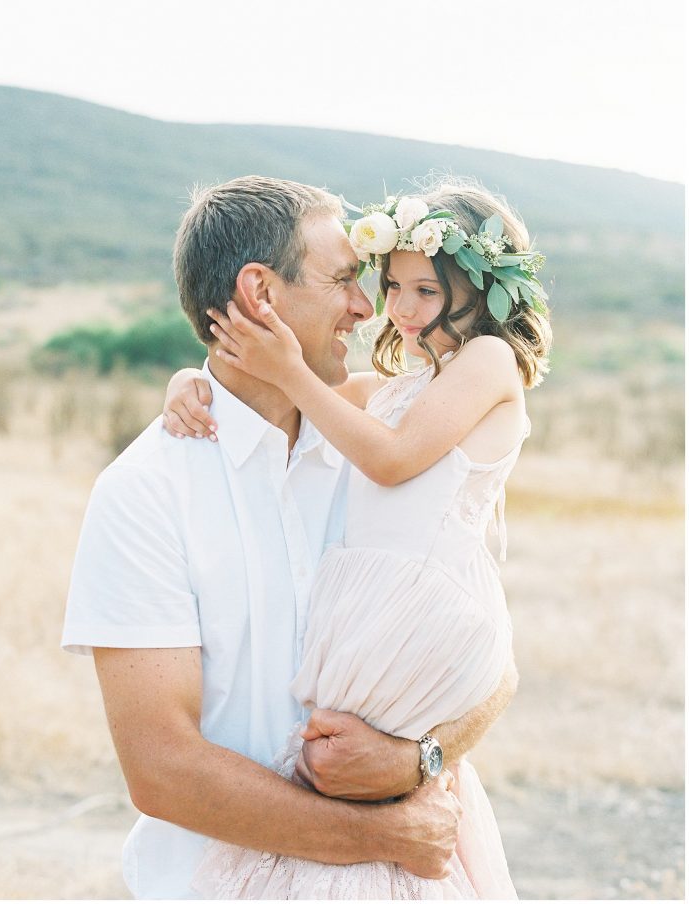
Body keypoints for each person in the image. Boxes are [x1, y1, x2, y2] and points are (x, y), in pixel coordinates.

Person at [62, 176, 517, 901]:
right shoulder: (146, 492)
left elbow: (494, 672)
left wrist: (418, 762)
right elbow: (162, 769)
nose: (369, 308)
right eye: (345, 279)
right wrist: (379, 833)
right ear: (260, 294)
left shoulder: (379, 450)